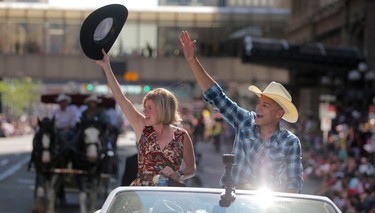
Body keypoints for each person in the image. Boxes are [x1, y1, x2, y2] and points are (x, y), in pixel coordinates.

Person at [180, 31, 303, 193]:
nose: (258, 107)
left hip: (267, 210)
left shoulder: (290, 142)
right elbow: (217, 96)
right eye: (259, 103)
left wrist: (282, 212)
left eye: (266, 106)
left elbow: (294, 183)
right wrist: (192, 60)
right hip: (232, 202)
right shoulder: (245, 121)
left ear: (279, 114)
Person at [96, 49, 196, 186]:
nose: (144, 110)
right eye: (145, 106)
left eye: (149, 108)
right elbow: (121, 99)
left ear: (163, 109)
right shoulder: (141, 126)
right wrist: (106, 66)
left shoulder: (182, 136)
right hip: (142, 194)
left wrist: (178, 174)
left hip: (171, 195)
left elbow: (192, 168)